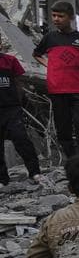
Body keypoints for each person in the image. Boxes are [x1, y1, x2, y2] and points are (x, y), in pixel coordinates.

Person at [33, 1, 79, 158]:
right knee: (63, 129)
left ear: (70, 17)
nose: (56, 19)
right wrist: (49, 65)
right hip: (57, 90)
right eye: (54, 16)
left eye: (60, 16)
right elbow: (37, 54)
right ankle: (72, 160)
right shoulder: (49, 38)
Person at [0, 39, 45, 186]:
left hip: (11, 108)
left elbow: (19, 81)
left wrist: (18, 101)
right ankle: (2, 179)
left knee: (21, 138)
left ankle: (34, 172)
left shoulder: (10, 61)